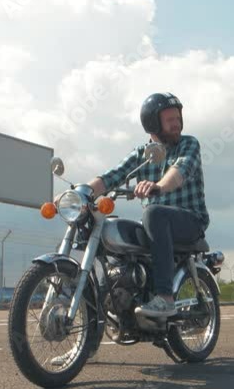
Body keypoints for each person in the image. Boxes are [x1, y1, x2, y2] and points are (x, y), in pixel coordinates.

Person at [86, 92, 209, 317]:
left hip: (190, 220)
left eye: (178, 118)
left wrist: (159, 186)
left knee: (153, 213)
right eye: (170, 119)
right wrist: (81, 192)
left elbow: (180, 171)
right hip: (158, 225)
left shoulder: (188, 144)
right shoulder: (141, 154)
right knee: (111, 228)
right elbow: (111, 176)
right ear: (153, 123)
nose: (177, 124)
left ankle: (165, 298)